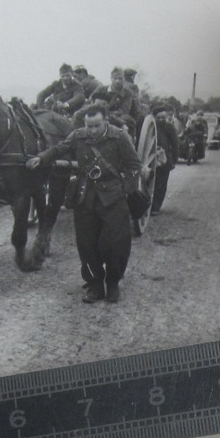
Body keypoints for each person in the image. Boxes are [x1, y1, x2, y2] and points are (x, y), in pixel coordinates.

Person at [27, 101, 145, 304]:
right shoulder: (78, 135)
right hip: (85, 196)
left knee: (116, 244)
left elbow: (134, 166)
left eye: (96, 125)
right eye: (89, 126)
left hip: (113, 198)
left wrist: (125, 189)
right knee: (87, 245)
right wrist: (41, 157)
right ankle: (95, 285)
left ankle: (113, 283)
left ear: (106, 121)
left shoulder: (119, 137)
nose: (92, 130)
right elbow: (60, 149)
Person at [150, 104, 179, 215]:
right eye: (159, 118)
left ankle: (156, 207)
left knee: (161, 183)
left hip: (165, 159)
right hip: (151, 158)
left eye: (163, 117)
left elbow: (175, 144)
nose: (161, 120)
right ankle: (149, 205)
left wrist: (174, 161)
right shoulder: (150, 128)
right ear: (154, 118)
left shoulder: (169, 128)